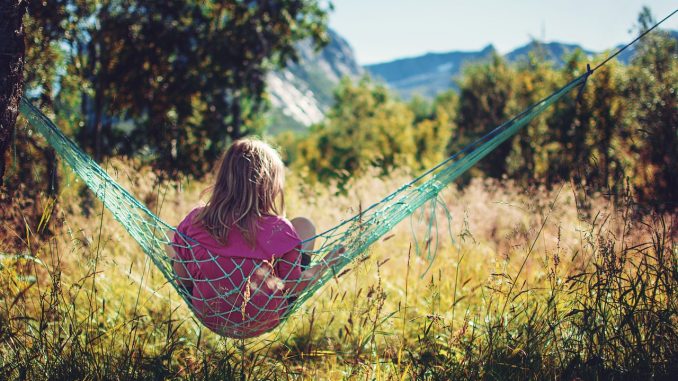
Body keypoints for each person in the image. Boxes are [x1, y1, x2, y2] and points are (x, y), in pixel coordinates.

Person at [166, 139, 342, 338]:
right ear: (269, 185)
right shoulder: (280, 229)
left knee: (172, 235)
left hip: (210, 313)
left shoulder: (196, 220)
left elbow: (183, 278)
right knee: (304, 225)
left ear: (223, 179)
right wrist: (328, 263)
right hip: (264, 317)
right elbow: (293, 286)